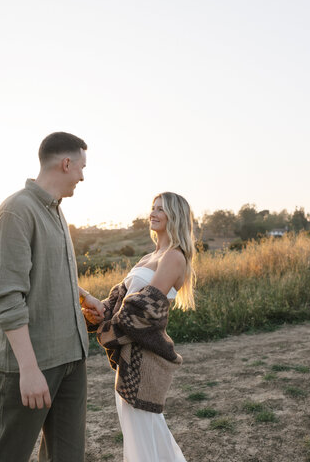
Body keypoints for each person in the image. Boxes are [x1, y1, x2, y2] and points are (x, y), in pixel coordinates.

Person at [0, 131, 104, 462]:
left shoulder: (56, 210)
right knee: (9, 456)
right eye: (81, 166)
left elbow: (47, 271)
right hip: (32, 364)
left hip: (69, 356)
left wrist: (83, 296)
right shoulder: (16, 212)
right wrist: (29, 370)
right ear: (66, 163)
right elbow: (7, 298)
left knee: (67, 457)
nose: (83, 175)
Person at [84, 192, 195, 462]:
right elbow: (118, 300)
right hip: (129, 357)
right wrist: (95, 308)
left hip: (146, 360)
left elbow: (142, 310)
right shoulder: (149, 256)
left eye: (162, 209)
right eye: (153, 207)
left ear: (175, 216)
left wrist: (104, 329)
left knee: (145, 435)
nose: (154, 213)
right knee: (146, 435)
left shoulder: (174, 257)